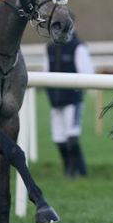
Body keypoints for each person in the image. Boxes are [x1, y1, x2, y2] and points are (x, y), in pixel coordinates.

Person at [44, 30, 94, 177]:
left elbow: (88, 74)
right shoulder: (49, 48)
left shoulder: (78, 47)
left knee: (72, 136)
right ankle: (73, 170)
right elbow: (46, 73)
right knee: (58, 139)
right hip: (55, 102)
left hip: (73, 101)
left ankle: (75, 173)